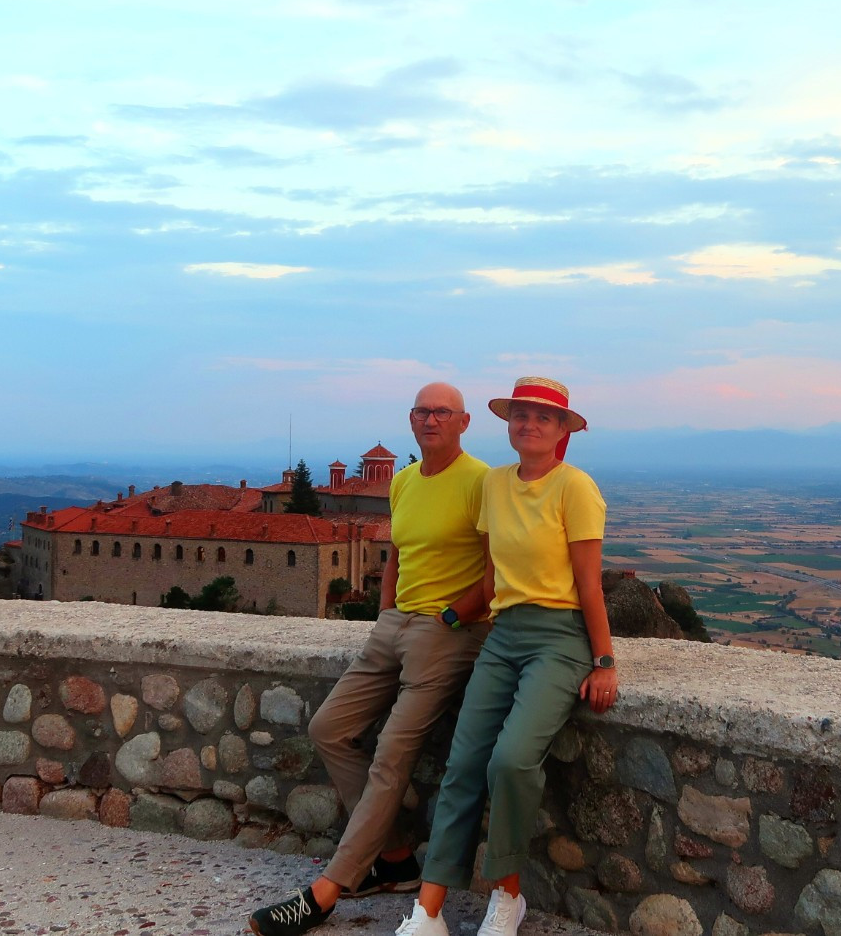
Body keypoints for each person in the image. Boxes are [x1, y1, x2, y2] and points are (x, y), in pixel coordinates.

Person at [249, 383, 492, 936]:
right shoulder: (404, 482)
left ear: (463, 422)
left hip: (447, 632)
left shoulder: (481, 482)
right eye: (422, 412)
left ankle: (326, 892)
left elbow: (495, 570)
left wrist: (451, 619)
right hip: (395, 624)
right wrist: (386, 614)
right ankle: (398, 856)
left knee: (390, 755)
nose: (431, 420)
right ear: (411, 421)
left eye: (442, 412)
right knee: (329, 727)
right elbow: (397, 556)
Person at [391, 377, 618, 936]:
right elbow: (492, 580)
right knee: (463, 765)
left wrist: (605, 661)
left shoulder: (576, 488)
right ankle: (428, 911)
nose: (529, 424)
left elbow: (590, 586)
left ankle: (507, 896)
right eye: (520, 414)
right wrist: (448, 617)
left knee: (511, 760)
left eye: (544, 417)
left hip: (560, 638)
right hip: (503, 634)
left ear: (563, 429)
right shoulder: (494, 484)